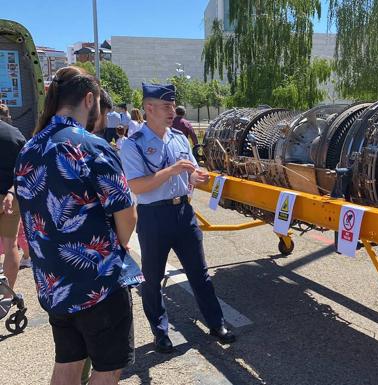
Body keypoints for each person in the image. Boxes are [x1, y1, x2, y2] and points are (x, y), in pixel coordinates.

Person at [14, 66, 143, 385]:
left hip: (53, 283)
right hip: (97, 284)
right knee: (108, 369)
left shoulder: (29, 148)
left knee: (68, 363)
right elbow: (126, 214)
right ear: (90, 99)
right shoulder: (91, 146)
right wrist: (121, 243)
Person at [120, 82, 235, 353]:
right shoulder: (133, 145)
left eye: (172, 105)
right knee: (152, 278)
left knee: (200, 274)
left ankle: (217, 323)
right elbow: (136, 186)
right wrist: (172, 170)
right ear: (149, 108)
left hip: (183, 213)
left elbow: (190, 174)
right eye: (165, 106)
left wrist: (197, 177)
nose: (172, 111)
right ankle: (160, 333)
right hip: (154, 216)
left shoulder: (179, 138)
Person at [0, 103, 26, 289]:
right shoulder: (15, 134)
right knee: (11, 247)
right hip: (10, 196)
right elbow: (25, 168)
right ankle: (7, 296)